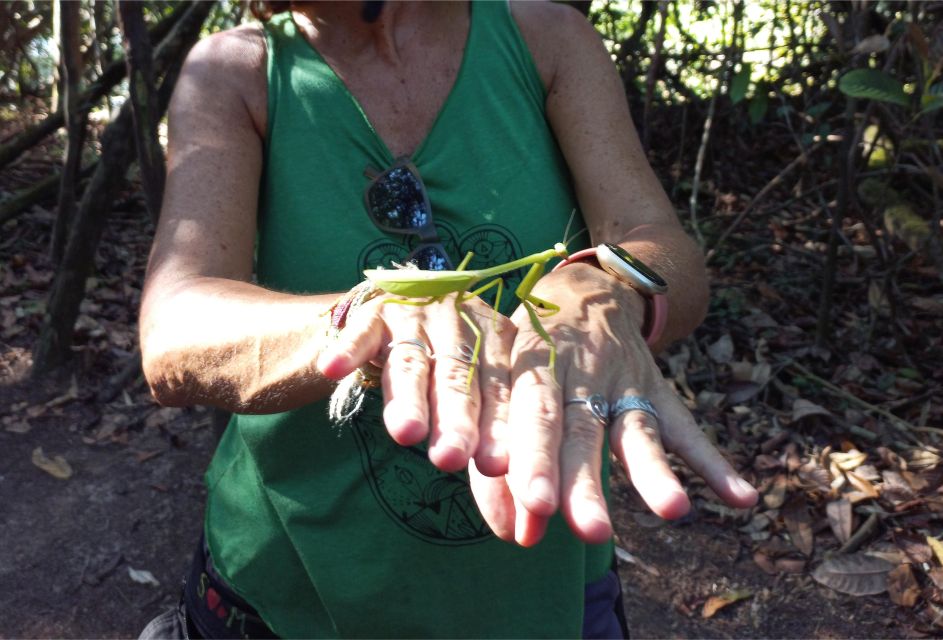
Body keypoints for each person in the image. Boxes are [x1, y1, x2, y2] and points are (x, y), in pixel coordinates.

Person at [138, 1, 758, 637]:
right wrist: (373, 317)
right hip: (283, 595)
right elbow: (172, 334)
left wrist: (610, 285)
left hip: (547, 589)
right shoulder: (233, 72)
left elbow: (669, 252)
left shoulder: (549, 40)